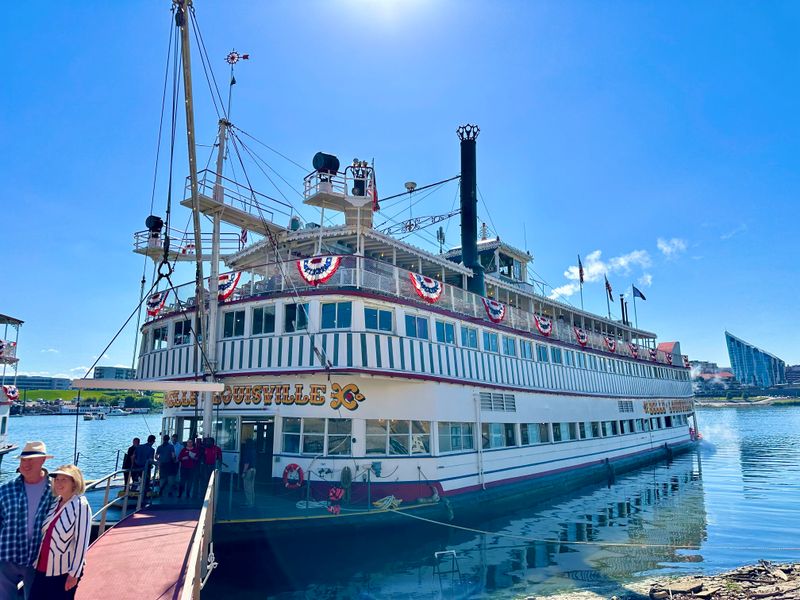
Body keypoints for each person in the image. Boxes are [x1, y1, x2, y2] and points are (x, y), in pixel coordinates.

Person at [0, 441, 57, 600]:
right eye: (23, 460)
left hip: (37, 558)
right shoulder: (5, 489)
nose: (26, 464)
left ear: (43, 460)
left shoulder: (55, 490)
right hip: (7, 556)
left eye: (31, 459)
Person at [29, 465, 91, 600]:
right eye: (57, 479)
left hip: (62, 571)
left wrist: (74, 574)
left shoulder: (80, 505)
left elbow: (82, 542)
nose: (58, 483)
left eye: (64, 480)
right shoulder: (56, 502)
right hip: (42, 567)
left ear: (74, 482)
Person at [241, 434, 257, 507]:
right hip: (254, 470)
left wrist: (244, 472)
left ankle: (249, 502)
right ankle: (252, 502)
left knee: (247, 487)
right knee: (252, 487)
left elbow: (246, 463)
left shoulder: (247, 451)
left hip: (248, 471)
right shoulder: (254, 451)